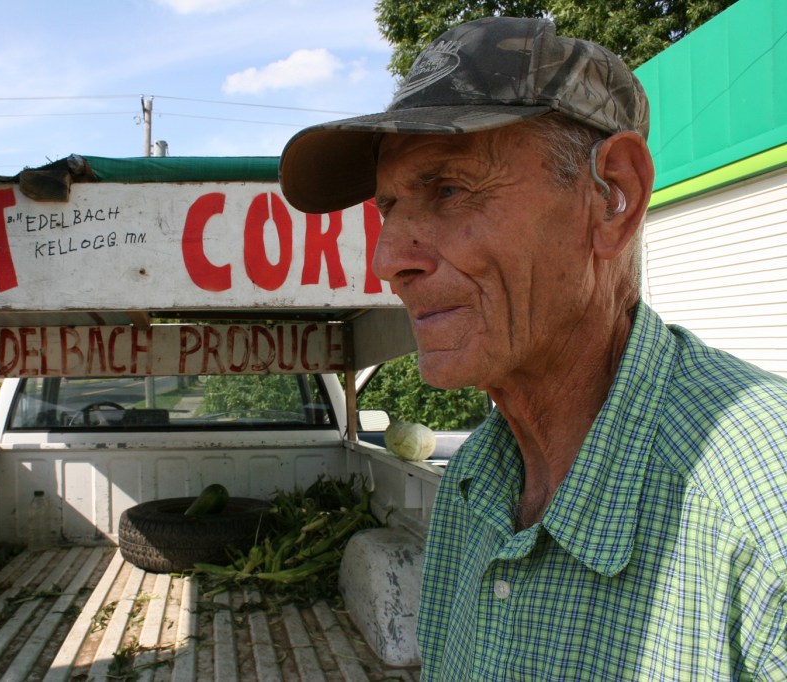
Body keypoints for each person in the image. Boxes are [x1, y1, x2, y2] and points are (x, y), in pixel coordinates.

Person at [279, 16, 787, 681]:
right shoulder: (474, 484)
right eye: (389, 208)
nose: (388, 261)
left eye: (449, 190)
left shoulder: (762, 514)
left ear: (613, 198)